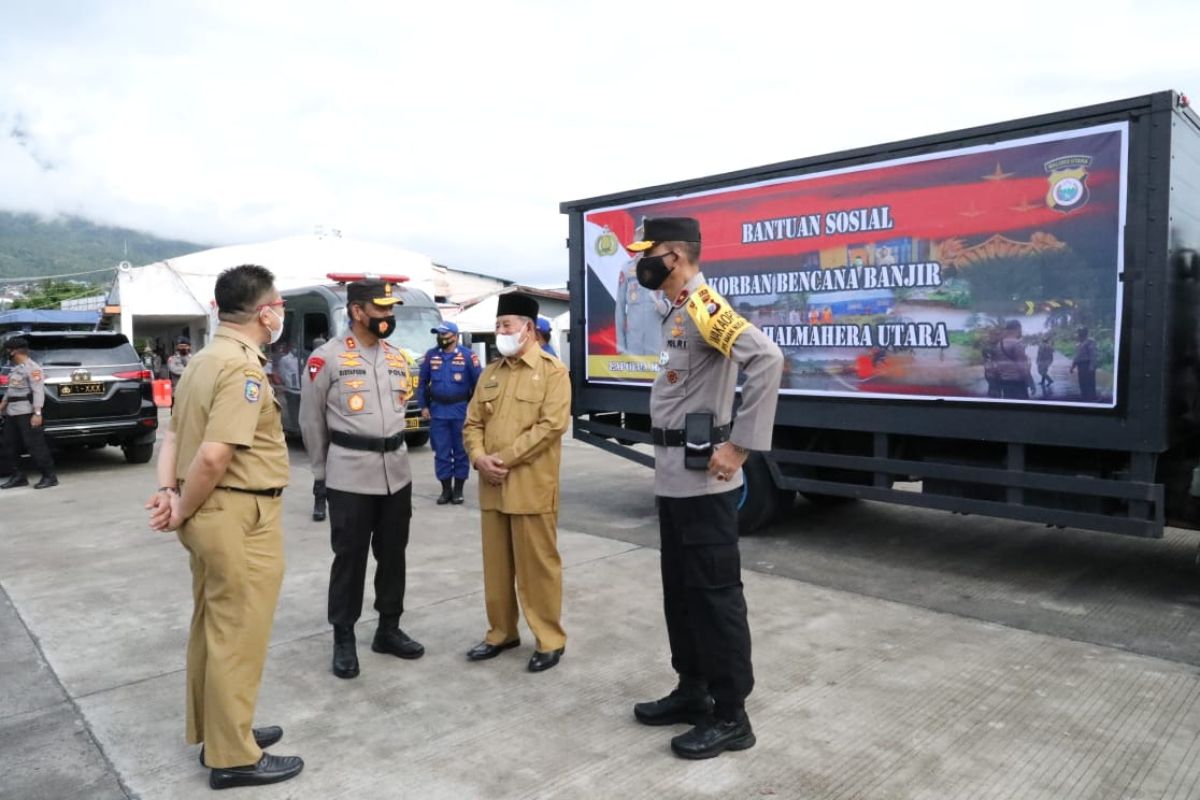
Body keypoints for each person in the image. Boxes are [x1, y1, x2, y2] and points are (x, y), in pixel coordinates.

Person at [625, 217, 783, 760]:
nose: (639, 264)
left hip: (704, 484)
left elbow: (766, 359)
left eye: (648, 254)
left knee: (715, 599)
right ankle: (692, 690)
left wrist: (739, 446)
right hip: (673, 479)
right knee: (682, 593)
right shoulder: (674, 307)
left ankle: (732, 715)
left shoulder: (703, 304)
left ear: (674, 255)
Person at [144, 264, 303, 791]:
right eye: (277, 303)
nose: (280, 312)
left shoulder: (203, 360)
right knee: (238, 633)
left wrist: (170, 494)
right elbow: (212, 457)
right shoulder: (242, 370)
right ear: (265, 312)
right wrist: (183, 507)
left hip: (211, 511)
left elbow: (172, 438)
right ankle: (233, 756)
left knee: (214, 627)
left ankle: (223, 731)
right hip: (236, 514)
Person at [300, 279, 425, 680]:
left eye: (391, 310)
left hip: (397, 472)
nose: (388, 317)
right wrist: (321, 473)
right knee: (349, 559)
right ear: (357, 311)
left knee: (393, 556)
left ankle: (388, 628)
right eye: (382, 310)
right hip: (349, 474)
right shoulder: (327, 358)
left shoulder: (396, 357)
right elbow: (311, 421)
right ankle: (344, 638)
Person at [462, 293, 571, 673]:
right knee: (496, 567)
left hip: (530, 487)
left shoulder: (553, 372)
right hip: (492, 487)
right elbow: (472, 422)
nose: (500, 333)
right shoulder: (490, 373)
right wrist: (478, 458)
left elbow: (552, 426)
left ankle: (549, 639)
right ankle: (501, 633)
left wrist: (502, 459)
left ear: (528, 328)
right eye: (497, 326)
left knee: (537, 568)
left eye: (506, 325)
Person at [417, 321, 482, 505]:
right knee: (442, 452)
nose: (441, 338)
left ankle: (458, 490)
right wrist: (424, 406)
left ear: (455, 336)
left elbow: (479, 385)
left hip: (461, 410)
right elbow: (422, 383)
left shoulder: (468, 356)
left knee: (461, 451)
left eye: (444, 335)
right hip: (438, 412)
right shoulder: (431, 356)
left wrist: (475, 409)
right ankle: (446, 490)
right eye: (438, 335)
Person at [0, 337, 57, 489]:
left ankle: (49, 476)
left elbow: (38, 392)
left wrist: (37, 413)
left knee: (35, 445)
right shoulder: (16, 369)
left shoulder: (33, 368)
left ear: (15, 351)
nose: (7, 353)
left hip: (27, 412)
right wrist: (2, 405)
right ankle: (19, 476)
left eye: (8, 350)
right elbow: (11, 391)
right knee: (8, 444)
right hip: (12, 413)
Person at [616, 256, 670, 355]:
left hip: (657, 343)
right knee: (633, 370)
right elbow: (620, 307)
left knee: (659, 370)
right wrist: (621, 345)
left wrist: (665, 305)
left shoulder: (661, 267)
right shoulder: (626, 269)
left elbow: (672, 298)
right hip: (633, 345)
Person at [309, 335, 329, 522]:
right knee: (321, 464)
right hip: (321, 421)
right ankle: (320, 502)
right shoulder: (315, 363)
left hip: (335, 422)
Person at [994, 320, 1034, 400]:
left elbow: (998, 365)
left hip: (1005, 381)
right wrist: (1030, 382)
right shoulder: (1017, 343)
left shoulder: (999, 344)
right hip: (1017, 382)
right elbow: (1022, 367)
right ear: (1017, 329)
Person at [1071, 326, 1098, 402]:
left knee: (1090, 382)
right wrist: (1073, 366)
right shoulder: (1078, 343)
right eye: (1079, 332)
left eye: (1080, 332)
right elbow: (1076, 357)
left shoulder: (1090, 341)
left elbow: (1093, 355)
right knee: (1082, 382)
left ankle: (1092, 398)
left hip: (1087, 364)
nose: (1079, 334)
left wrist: (1092, 366)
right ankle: (1084, 397)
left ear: (1085, 333)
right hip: (1081, 366)